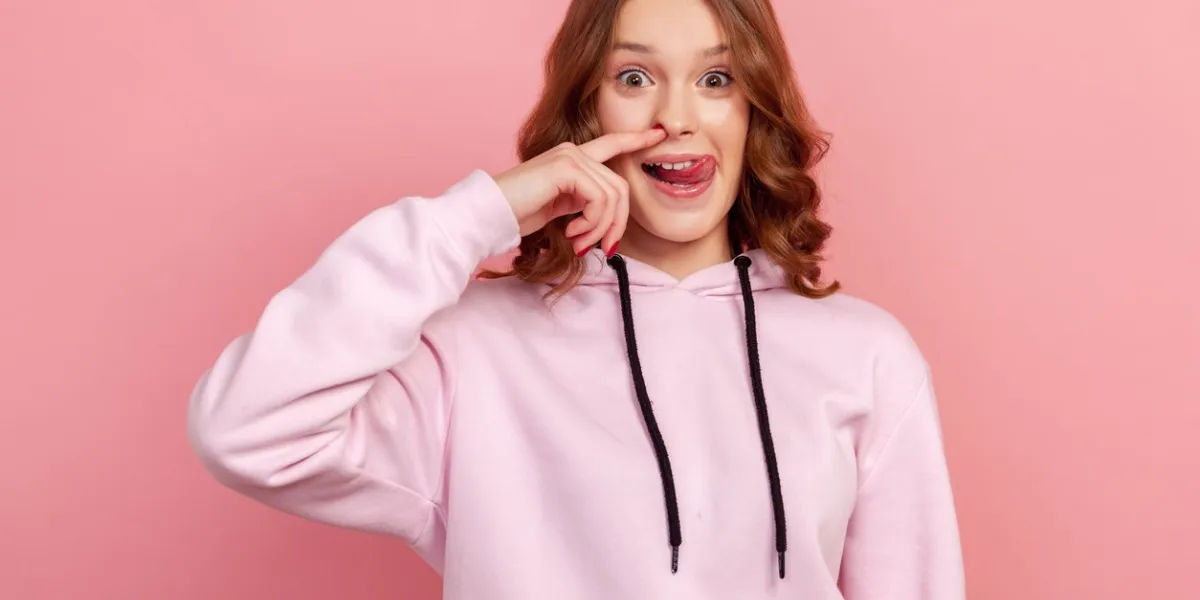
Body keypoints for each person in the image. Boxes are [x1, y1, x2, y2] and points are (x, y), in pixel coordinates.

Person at [187, 0, 966, 597]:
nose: (675, 118)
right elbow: (245, 431)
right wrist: (480, 213)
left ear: (754, 106)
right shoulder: (472, 350)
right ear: (587, 109)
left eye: (716, 79)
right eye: (634, 79)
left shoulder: (864, 354)